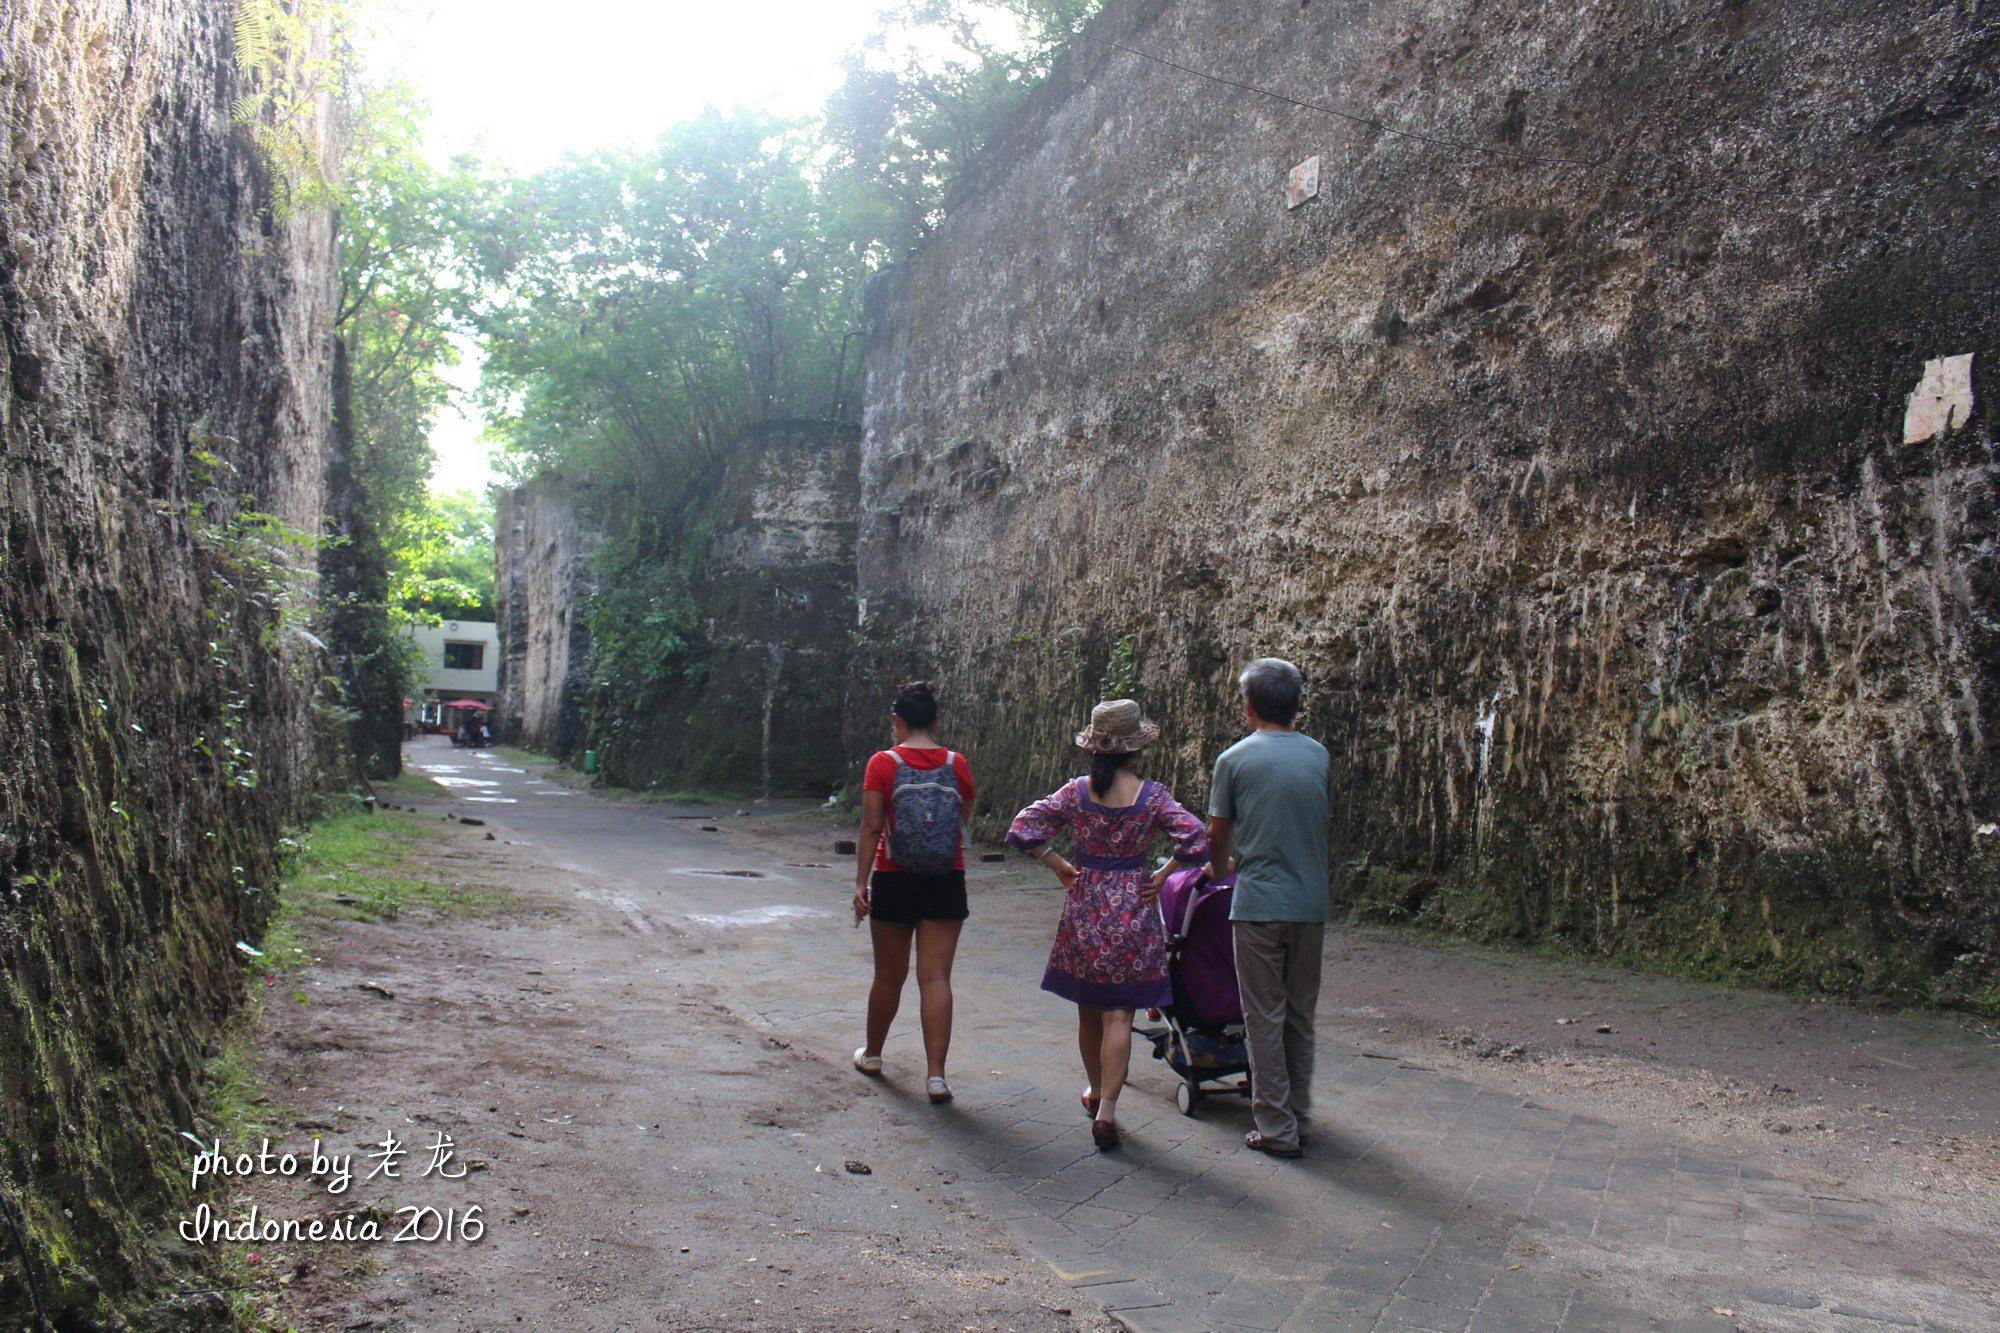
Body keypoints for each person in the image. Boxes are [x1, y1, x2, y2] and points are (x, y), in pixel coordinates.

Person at [1006, 700, 1208, 1150]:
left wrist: (1057, 862)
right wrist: (1164, 872)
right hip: (1133, 909)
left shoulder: (1076, 792)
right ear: (1134, 751)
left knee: (1088, 1011)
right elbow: (1196, 837)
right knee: (1120, 1016)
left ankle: (1095, 1089)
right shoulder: (1153, 796)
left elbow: (1024, 826)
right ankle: (1107, 1112)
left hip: (1085, 909)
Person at [1206, 658, 1331, 1159]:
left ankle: (1276, 1128)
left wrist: (1220, 870)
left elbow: (1218, 832)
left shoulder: (1234, 759)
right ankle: (1297, 1112)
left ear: (1249, 706)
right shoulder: (1318, 755)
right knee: (1300, 1013)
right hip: (1310, 903)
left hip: (1258, 903)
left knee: (1263, 1016)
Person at [851, 680, 975, 1103]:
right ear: (936, 722)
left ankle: (872, 1055)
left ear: (896, 722)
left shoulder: (882, 763)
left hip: (893, 874)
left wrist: (860, 883)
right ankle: (936, 1077)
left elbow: (871, 826)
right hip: (946, 876)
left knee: (889, 976)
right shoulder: (956, 763)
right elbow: (962, 817)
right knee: (936, 978)